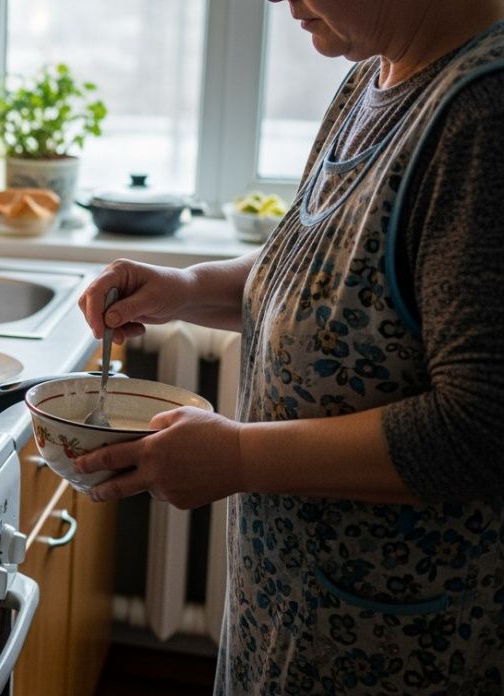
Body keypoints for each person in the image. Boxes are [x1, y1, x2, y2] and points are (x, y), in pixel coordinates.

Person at [71, 1, 504, 693]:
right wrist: (183, 288)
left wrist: (238, 455)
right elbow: (328, 278)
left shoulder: (483, 115)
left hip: (394, 647)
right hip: (296, 608)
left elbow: (481, 429)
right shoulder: (372, 77)